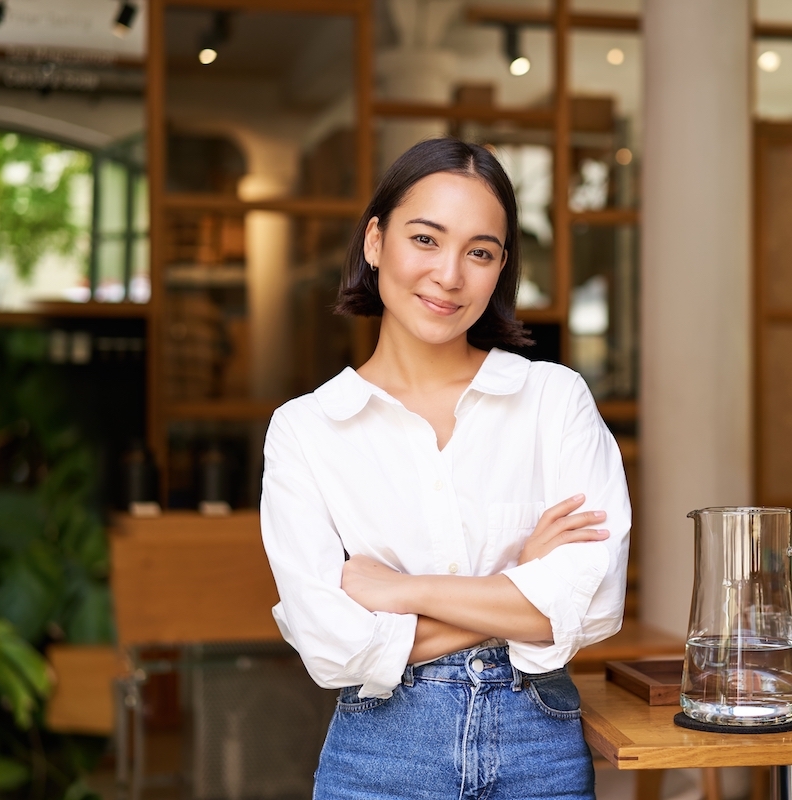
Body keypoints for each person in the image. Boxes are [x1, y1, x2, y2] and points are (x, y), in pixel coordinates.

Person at [259, 137, 631, 800]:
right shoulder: (308, 430)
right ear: (375, 242)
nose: (450, 275)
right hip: (380, 757)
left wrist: (401, 591)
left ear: (500, 269)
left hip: (538, 749)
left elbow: (593, 604)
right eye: (425, 239)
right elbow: (330, 645)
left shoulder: (553, 400)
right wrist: (524, 588)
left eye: (479, 252)